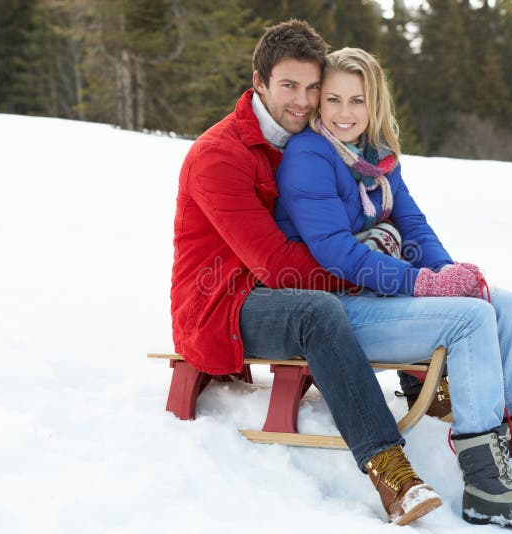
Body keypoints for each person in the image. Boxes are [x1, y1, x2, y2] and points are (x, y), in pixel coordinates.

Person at [274, 47, 512, 527]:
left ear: (375, 103)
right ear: (320, 102)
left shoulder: (378, 158)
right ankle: (486, 481)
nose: (345, 114)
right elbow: (335, 252)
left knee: (497, 303)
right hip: (338, 311)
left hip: (381, 298)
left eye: (357, 101)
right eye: (335, 100)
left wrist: (449, 277)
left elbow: (414, 225)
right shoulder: (309, 156)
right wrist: (424, 283)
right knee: (470, 321)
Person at [171, 20, 444, 526]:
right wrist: (369, 269)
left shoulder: (304, 143)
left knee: (367, 266)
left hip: (275, 289)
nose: (302, 100)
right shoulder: (220, 155)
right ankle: (390, 469)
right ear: (260, 83)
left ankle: (427, 380)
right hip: (224, 303)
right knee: (320, 308)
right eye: (288, 86)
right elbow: (275, 265)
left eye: (312, 87)